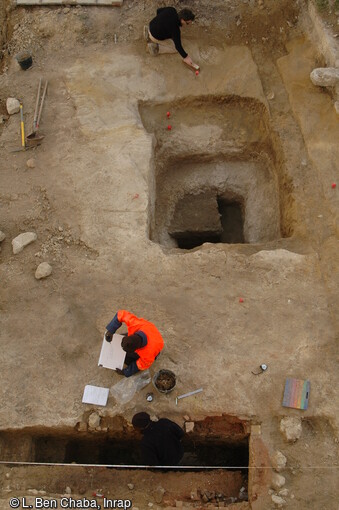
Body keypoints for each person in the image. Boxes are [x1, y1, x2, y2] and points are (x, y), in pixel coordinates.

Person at [105, 310, 164, 377]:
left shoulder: (148, 354)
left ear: (136, 350)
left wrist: (125, 372)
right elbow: (121, 314)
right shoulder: (135, 324)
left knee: (128, 359)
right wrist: (110, 330)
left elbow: (141, 365)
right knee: (121, 339)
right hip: (150, 332)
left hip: (155, 346)